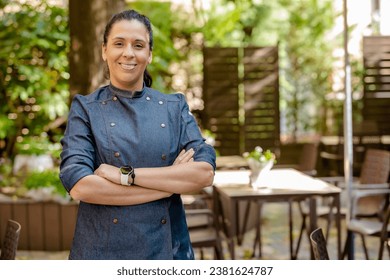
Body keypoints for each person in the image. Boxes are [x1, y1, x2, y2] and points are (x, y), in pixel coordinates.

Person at [59, 9, 216, 260]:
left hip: (168, 252)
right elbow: (80, 186)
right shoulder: (85, 108)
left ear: (149, 54)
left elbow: (204, 173)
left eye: (138, 45)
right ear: (104, 51)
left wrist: (125, 175)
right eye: (119, 43)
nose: (128, 53)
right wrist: (167, 188)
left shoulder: (174, 107)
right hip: (102, 253)